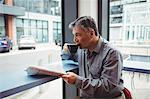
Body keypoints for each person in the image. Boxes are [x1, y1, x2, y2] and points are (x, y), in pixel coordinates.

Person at [61, 16, 125, 99]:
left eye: (77, 35)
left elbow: (106, 88)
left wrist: (77, 81)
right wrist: (66, 53)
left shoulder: (112, 53)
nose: (74, 40)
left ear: (91, 33)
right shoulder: (82, 50)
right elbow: (73, 67)